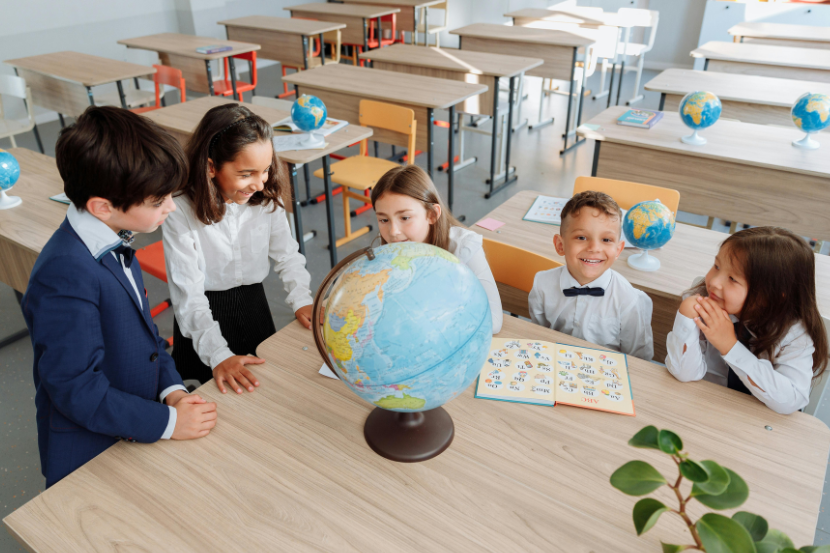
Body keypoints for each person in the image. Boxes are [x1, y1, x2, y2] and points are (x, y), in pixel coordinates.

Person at [24, 106, 216, 488]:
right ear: (102, 207)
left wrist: (172, 391)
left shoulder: (111, 237)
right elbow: (75, 388)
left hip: (135, 420)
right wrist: (168, 423)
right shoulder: (64, 274)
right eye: (158, 200)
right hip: (91, 452)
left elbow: (145, 336)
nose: (172, 207)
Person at [163, 103, 313, 395]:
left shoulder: (265, 197)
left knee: (261, 387)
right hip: (202, 315)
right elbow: (188, 296)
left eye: (266, 170)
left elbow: (287, 255)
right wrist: (218, 355)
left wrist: (302, 299)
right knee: (214, 394)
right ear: (210, 167)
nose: (259, 183)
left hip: (253, 305)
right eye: (246, 173)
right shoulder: (180, 208)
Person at [665, 227, 828, 415]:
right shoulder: (703, 301)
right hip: (704, 410)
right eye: (717, 266)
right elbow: (683, 374)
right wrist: (686, 316)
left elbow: (790, 400)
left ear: (773, 295)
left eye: (733, 279)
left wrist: (730, 347)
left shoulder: (793, 333)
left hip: (760, 426)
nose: (715, 282)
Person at [370, 165, 503, 333]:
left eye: (405, 217)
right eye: (384, 220)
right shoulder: (388, 251)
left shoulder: (463, 248)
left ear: (432, 215)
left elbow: (494, 321)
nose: (393, 231)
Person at [528, 191, 653, 360]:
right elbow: (539, 336)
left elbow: (639, 360)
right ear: (560, 245)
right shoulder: (542, 284)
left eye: (606, 240)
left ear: (618, 250)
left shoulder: (629, 300)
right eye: (581, 237)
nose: (594, 248)